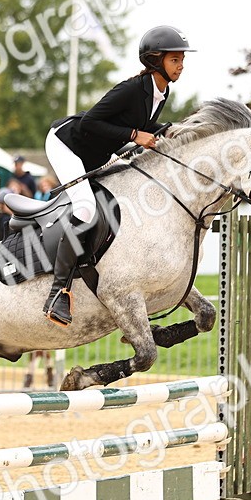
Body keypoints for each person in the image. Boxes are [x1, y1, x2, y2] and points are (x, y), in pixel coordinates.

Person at [40, 24, 193, 326]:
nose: (181, 65)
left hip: (95, 152)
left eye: (181, 60)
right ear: (155, 60)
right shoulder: (131, 89)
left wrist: (163, 131)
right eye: (175, 59)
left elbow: (134, 128)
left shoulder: (162, 92)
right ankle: (58, 292)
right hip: (67, 144)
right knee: (84, 208)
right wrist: (136, 135)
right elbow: (90, 123)